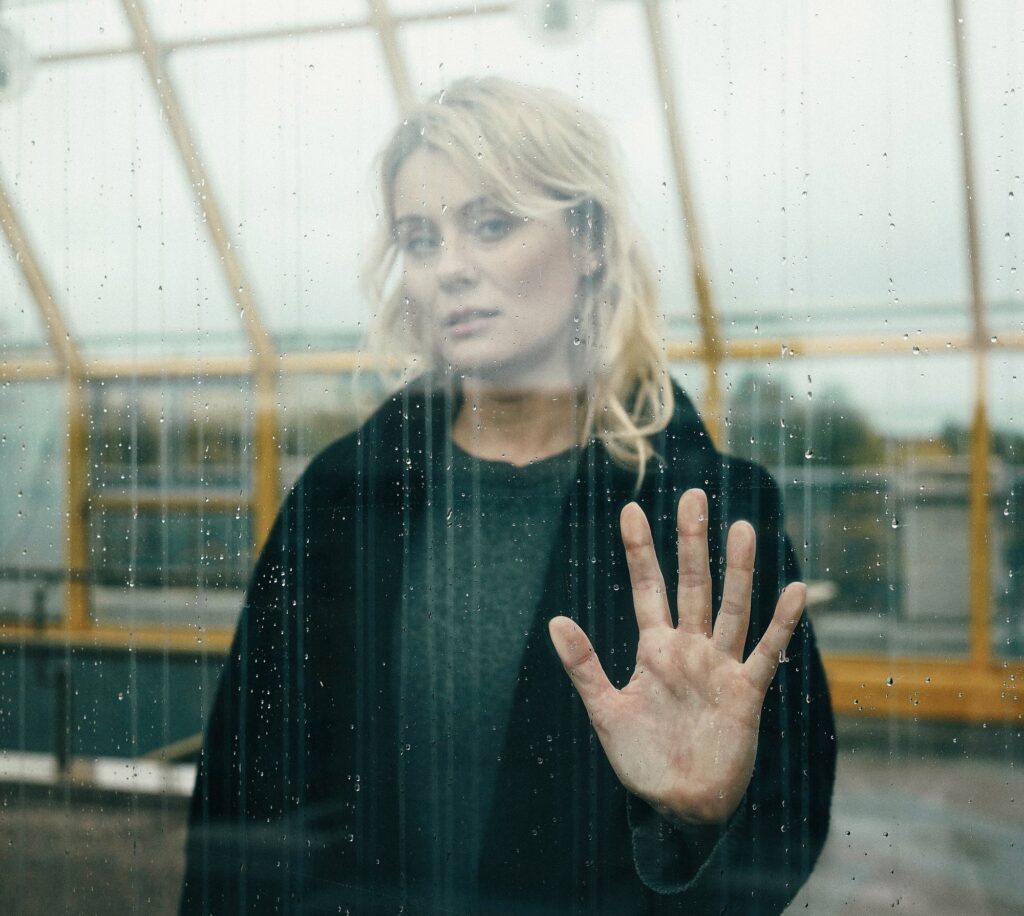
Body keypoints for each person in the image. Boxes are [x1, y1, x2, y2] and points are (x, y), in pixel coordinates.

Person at [179, 77, 836, 915]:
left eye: (491, 224)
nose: (451, 268)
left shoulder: (703, 514)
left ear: (590, 238)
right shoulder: (343, 500)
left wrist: (695, 821)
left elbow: (782, 817)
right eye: (420, 239)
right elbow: (243, 803)